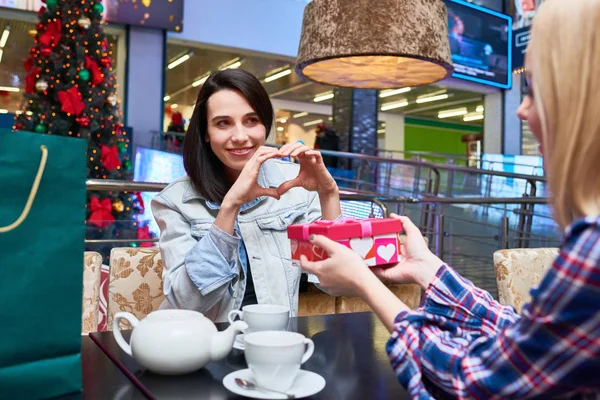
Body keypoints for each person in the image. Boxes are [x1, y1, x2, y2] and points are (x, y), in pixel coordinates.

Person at [300, 0, 600, 398]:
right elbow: (523, 339)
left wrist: (364, 283)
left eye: (535, 89)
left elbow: (481, 381)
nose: (521, 111)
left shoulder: (592, 250)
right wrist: (428, 270)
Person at [152, 69, 341, 322]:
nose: (240, 137)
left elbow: (335, 282)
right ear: (206, 133)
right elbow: (187, 303)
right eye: (223, 123)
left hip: (273, 344)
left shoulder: (294, 185)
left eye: (252, 120)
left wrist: (328, 194)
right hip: (200, 347)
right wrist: (230, 205)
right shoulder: (175, 201)